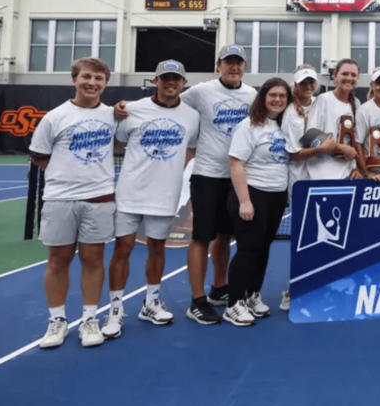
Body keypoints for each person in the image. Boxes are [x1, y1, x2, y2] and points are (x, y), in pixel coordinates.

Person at [118, 45, 258, 323]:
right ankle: (197, 300)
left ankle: (220, 289)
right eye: (228, 63)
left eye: (238, 63)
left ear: (244, 66)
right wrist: (121, 107)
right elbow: (169, 102)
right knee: (201, 237)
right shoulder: (200, 92)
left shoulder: (252, 95)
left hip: (238, 177)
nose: (234, 67)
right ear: (218, 66)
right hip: (207, 175)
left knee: (225, 237)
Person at [102, 60, 200, 339]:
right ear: (155, 81)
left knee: (158, 248)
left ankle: (151, 302)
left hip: (165, 196)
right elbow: (117, 143)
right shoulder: (130, 109)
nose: (171, 83)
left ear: (184, 83)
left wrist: (176, 178)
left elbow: (191, 148)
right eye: (165, 78)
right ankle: (115, 309)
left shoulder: (192, 116)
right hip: (130, 193)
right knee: (123, 248)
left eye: (176, 79)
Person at [31, 57, 117, 348]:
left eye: (99, 79)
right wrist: (66, 176)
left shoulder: (113, 116)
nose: (92, 83)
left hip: (100, 198)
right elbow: (39, 155)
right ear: (74, 79)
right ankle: (57, 321)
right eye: (86, 77)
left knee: (93, 260)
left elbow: (119, 143)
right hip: (60, 198)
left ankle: (90, 318)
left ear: (106, 83)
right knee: (58, 261)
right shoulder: (55, 117)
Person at [224, 78, 293, 326]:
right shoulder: (250, 125)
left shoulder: (285, 125)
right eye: (273, 95)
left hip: (277, 195)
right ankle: (233, 303)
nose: (277, 100)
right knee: (249, 250)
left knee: (263, 249)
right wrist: (245, 201)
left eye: (283, 96)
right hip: (253, 193)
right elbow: (236, 163)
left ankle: (252, 294)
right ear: (263, 97)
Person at [277, 64, 319, 312]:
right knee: (304, 241)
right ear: (295, 85)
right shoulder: (290, 113)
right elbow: (296, 155)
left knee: (320, 241)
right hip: (300, 186)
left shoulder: (320, 103)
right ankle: (292, 291)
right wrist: (326, 148)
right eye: (303, 82)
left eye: (311, 81)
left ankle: (312, 285)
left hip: (322, 180)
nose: (308, 86)